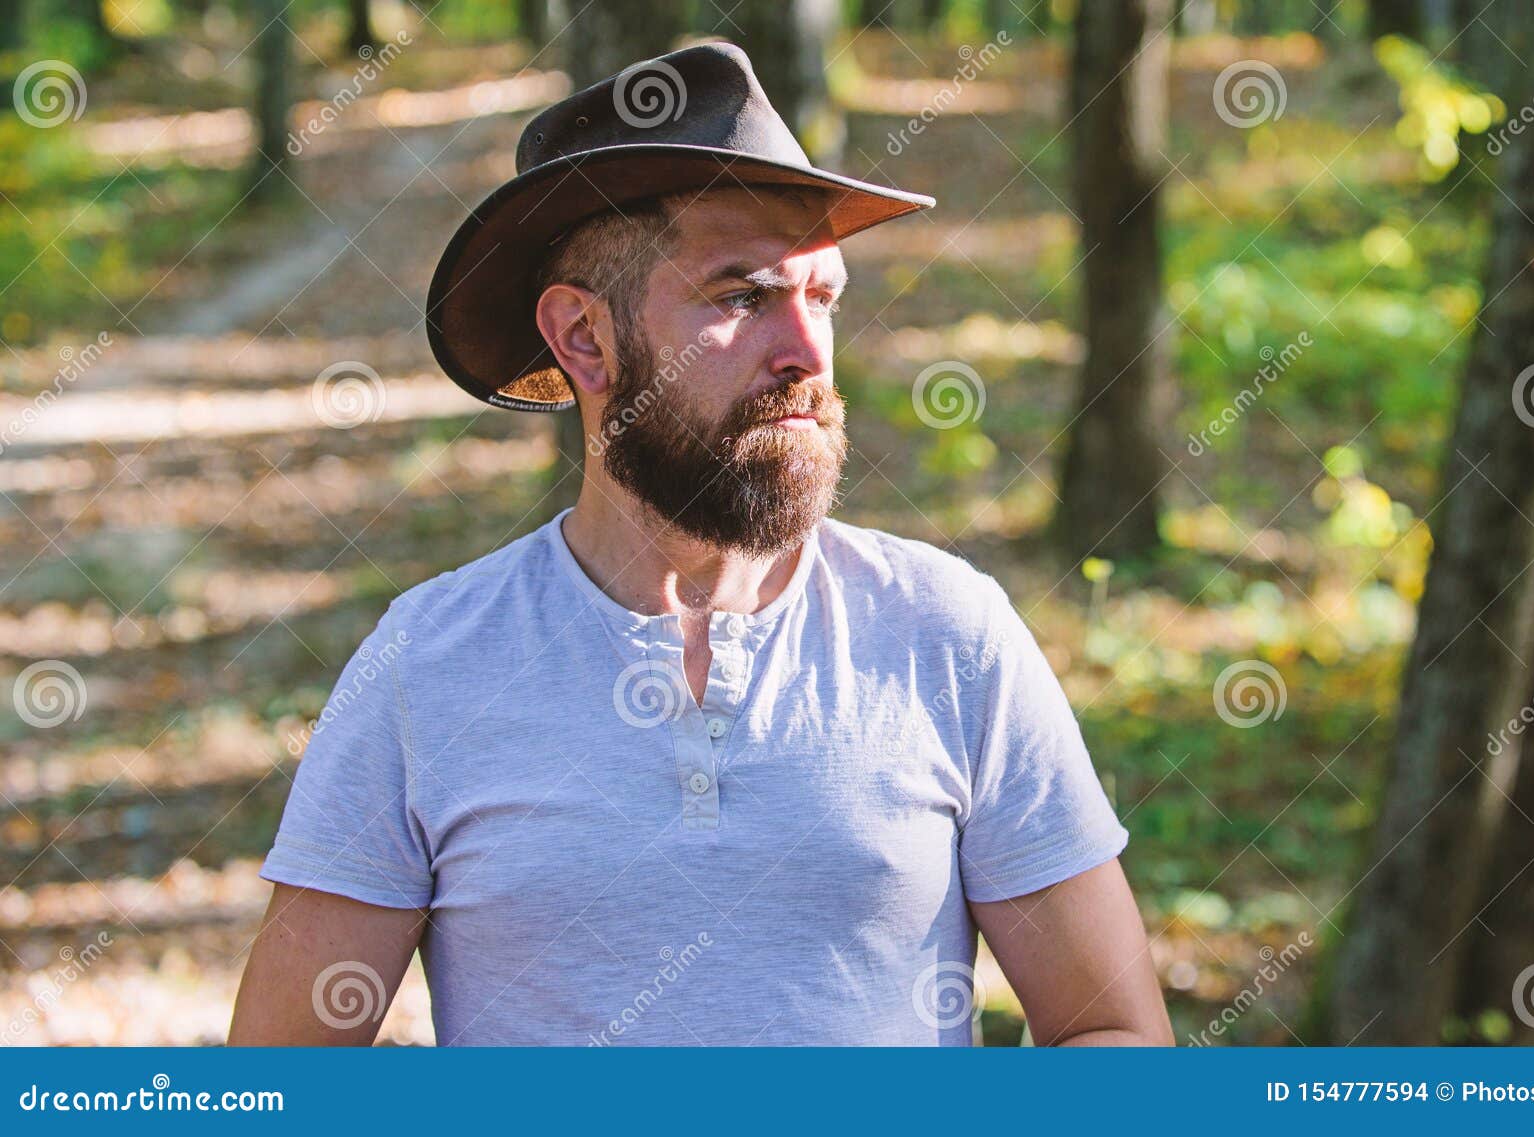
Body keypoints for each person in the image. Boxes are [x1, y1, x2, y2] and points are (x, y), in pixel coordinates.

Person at [230, 41, 1171, 1047]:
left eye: (824, 298)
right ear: (583, 340)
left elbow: (1109, 1035)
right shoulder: (430, 666)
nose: (807, 354)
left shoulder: (947, 635)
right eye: (741, 296)